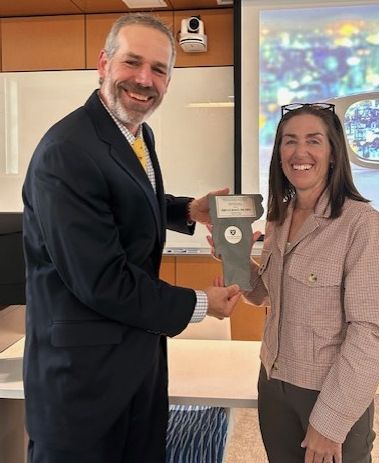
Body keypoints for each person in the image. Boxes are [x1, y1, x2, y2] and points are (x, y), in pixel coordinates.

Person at [22, 13, 241, 463]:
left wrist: (186, 210)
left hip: (134, 364)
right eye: (132, 62)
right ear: (104, 63)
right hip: (82, 385)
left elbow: (124, 197)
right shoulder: (67, 151)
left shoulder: (135, 134)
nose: (144, 80)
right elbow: (103, 282)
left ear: (169, 82)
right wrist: (202, 304)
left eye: (158, 69)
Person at [216, 103, 379, 462]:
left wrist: (331, 421)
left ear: (333, 154)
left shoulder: (361, 223)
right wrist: (233, 258)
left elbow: (373, 333)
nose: (300, 152)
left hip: (328, 391)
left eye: (313, 141)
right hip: (273, 385)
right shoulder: (279, 218)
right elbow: (265, 294)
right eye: (289, 141)